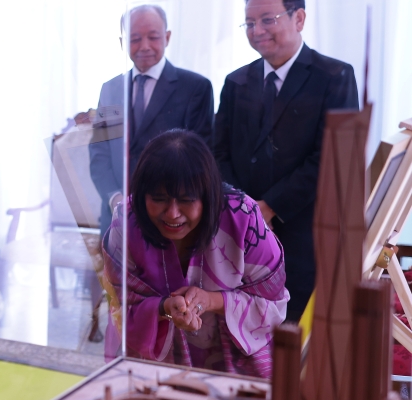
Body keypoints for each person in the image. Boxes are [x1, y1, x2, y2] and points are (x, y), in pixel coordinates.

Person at [212, 0, 358, 322]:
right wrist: (243, 208)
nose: (257, 30)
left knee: (293, 339)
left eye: (267, 19)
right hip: (239, 231)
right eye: (249, 23)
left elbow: (332, 159)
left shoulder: (334, 76)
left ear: (299, 18)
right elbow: (217, 153)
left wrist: (270, 207)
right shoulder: (235, 81)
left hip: (302, 232)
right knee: (243, 329)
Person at [102, 131, 288, 378]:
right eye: (159, 199)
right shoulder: (126, 220)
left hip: (232, 372)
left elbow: (273, 305)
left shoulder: (244, 217)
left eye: (186, 200)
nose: (172, 214)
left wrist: (211, 301)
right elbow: (119, 305)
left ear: (207, 195)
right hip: (151, 372)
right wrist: (165, 308)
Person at [88, 4, 214, 233]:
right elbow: (99, 153)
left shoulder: (195, 88)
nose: (144, 46)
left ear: (167, 37)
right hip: (117, 219)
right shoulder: (111, 89)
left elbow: (199, 160)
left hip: (170, 218)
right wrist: (115, 198)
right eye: (134, 38)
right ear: (122, 42)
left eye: (153, 37)